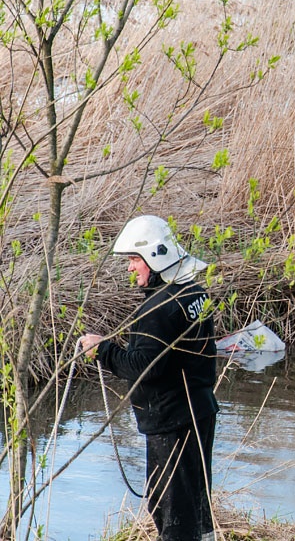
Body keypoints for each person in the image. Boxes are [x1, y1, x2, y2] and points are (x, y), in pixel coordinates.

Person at [79, 215, 217, 541]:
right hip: (199, 412)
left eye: (133, 260)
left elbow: (144, 366)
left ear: (156, 256)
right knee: (194, 506)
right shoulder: (193, 291)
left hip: (173, 422)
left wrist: (103, 351)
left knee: (173, 513)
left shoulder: (158, 308)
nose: (129, 268)